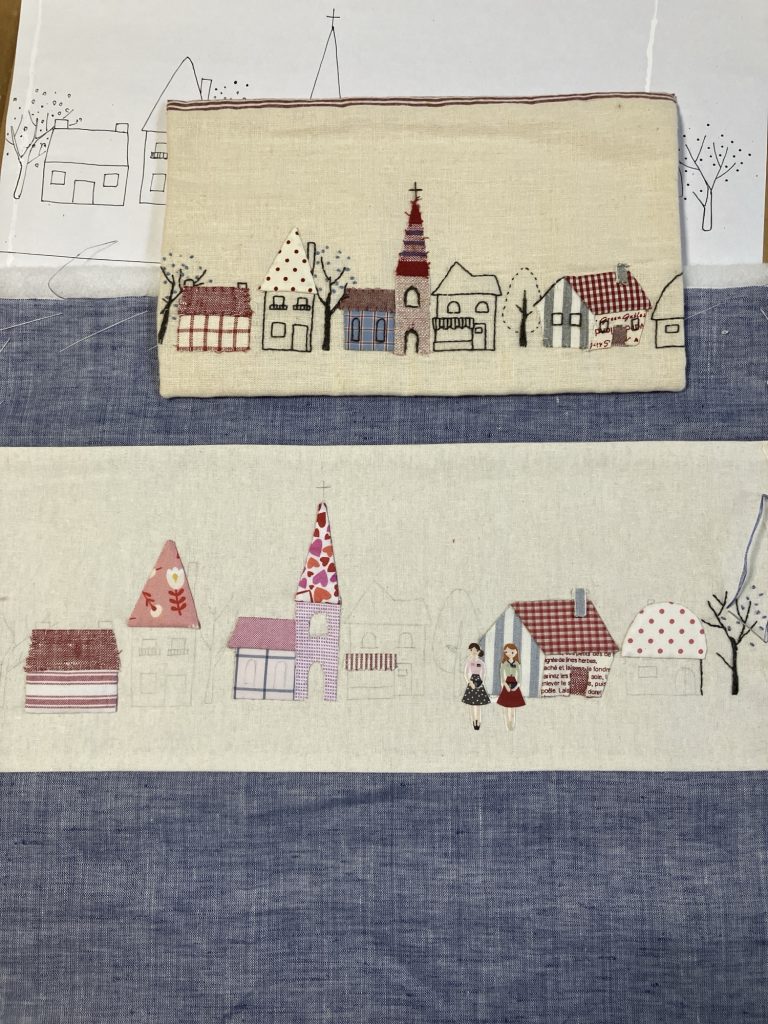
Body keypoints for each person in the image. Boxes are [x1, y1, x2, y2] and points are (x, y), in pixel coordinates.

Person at [462, 642, 490, 730]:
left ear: (478, 651)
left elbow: (484, 673)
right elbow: (465, 673)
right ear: (470, 651)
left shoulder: (481, 663)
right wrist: (469, 682)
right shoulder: (469, 662)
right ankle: (474, 721)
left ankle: (479, 721)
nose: (473, 652)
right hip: (471, 682)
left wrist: (481, 683)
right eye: (472, 650)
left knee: (478, 705)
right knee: (471, 704)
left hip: (479, 683)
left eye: (475, 650)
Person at [497, 642, 526, 731]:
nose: (509, 654)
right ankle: (507, 723)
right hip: (507, 683)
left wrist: (517, 686)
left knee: (513, 706)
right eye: (507, 652)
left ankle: (512, 723)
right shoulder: (503, 663)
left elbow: (520, 677)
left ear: (515, 652)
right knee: (506, 706)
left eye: (512, 652)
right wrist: (505, 685)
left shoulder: (517, 664)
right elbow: (502, 676)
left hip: (514, 683)